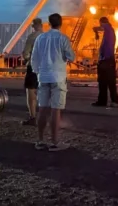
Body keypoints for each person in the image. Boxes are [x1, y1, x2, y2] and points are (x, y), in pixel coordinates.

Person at [30, 13, 75, 151]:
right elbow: (71, 57)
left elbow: (34, 59)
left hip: (43, 77)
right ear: (60, 24)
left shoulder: (40, 38)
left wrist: (38, 72)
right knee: (56, 110)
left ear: (48, 24)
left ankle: (40, 140)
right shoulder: (63, 38)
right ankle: (55, 143)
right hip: (58, 77)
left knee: (42, 109)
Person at [91, 16, 118, 108]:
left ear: (102, 23)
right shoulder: (108, 32)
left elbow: (103, 27)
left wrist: (95, 29)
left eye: (101, 24)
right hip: (106, 60)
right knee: (104, 82)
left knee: (108, 82)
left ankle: (112, 101)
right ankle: (104, 101)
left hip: (107, 60)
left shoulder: (108, 30)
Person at [22, 18, 43, 126]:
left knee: (31, 91)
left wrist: (26, 58)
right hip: (46, 69)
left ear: (34, 26)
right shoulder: (47, 37)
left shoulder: (32, 37)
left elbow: (26, 53)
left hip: (33, 67)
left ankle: (33, 117)